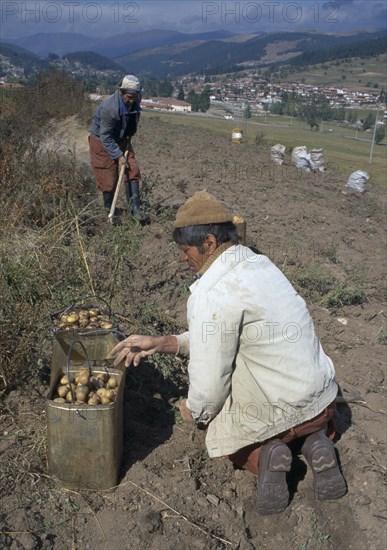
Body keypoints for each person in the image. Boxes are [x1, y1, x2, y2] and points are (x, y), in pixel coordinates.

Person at [111, 190, 347, 515]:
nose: (182, 258)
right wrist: (163, 342)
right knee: (296, 410)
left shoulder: (211, 292)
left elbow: (209, 384)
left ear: (208, 243)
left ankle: (265, 456)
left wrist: (196, 411)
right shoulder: (258, 263)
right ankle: (316, 441)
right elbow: (219, 334)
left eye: (185, 250)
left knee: (218, 422)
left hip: (284, 413)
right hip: (322, 402)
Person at [89, 74, 147, 220]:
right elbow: (106, 137)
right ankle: (109, 211)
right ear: (121, 92)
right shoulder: (110, 108)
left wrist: (127, 136)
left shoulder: (135, 101)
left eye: (135, 96)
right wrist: (118, 155)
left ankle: (135, 211)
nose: (131, 100)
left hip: (122, 139)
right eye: (128, 96)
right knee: (108, 176)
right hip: (102, 141)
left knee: (132, 169)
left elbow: (133, 119)